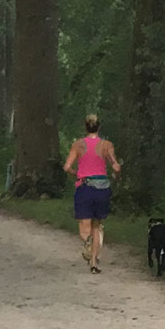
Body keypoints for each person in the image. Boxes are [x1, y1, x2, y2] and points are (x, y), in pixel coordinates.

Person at [63, 113, 121, 274]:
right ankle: (94, 261)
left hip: (85, 186)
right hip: (102, 187)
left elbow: (67, 166)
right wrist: (116, 175)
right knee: (97, 224)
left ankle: (88, 242)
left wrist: (77, 173)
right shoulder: (107, 145)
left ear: (85, 127)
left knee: (84, 223)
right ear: (99, 127)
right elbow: (115, 166)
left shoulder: (78, 145)